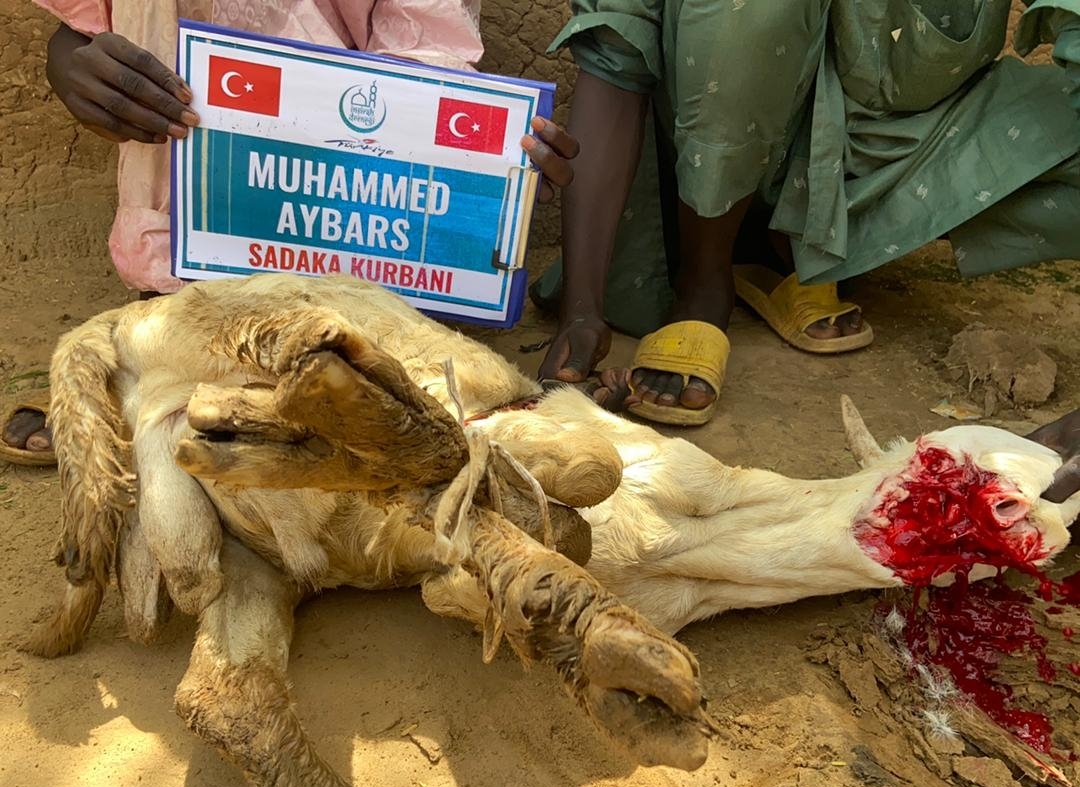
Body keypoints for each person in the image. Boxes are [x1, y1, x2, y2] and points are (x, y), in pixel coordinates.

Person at [1, 0, 579, 464]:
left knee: (357, 374)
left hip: (353, 240)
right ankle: (182, 357)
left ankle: (184, 378)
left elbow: (430, 54)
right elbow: (84, 27)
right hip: (189, 218)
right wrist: (72, 67)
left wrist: (484, 174)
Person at [535, 0, 1080, 428]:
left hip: (893, 162)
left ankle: (799, 254)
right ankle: (705, 276)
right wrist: (583, 307)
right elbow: (616, 55)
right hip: (703, 164)